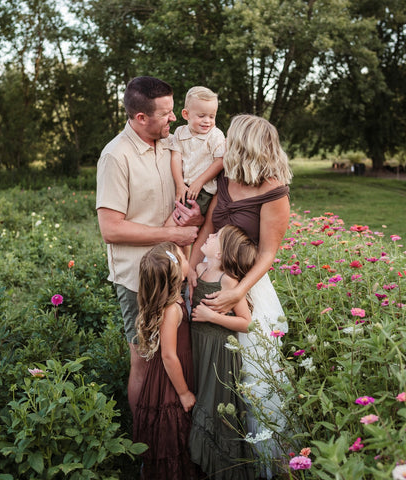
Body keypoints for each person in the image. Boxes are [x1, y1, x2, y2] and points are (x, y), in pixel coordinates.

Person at [184, 114, 293, 477]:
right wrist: (190, 270)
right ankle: (218, 453)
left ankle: (264, 463)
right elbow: (207, 229)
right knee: (214, 368)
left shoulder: (275, 192)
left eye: (231, 137)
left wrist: (238, 294)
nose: (224, 143)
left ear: (245, 144)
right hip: (211, 277)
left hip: (247, 289)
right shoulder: (226, 179)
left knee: (251, 378)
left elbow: (268, 254)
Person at [96, 76, 202, 416]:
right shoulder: (116, 156)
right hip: (138, 280)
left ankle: (172, 436)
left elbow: (173, 208)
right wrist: (169, 236)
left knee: (177, 352)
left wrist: (190, 217)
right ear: (141, 117)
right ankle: (144, 444)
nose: (174, 119)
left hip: (176, 269)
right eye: (167, 113)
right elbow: (110, 229)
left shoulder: (170, 146)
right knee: (143, 360)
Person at [189, 225, 257, 480]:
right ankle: (200, 464)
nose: (209, 235)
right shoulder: (201, 269)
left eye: (216, 236)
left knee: (214, 404)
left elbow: (246, 323)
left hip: (219, 352)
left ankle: (223, 469)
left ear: (221, 253)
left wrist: (211, 316)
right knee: (198, 396)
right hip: (198, 347)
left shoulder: (227, 280)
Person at [133, 242, 198, 480]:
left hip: (172, 373)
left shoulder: (171, 300)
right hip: (171, 380)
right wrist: (183, 392)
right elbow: (169, 356)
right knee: (171, 432)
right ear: (177, 274)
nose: (186, 256)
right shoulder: (172, 310)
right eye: (183, 256)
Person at [170, 86, 225, 217]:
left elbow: (220, 161)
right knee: (176, 216)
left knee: (179, 218)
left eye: (212, 116)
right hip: (183, 186)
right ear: (186, 114)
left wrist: (199, 182)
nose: (207, 121)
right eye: (201, 116)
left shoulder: (215, 135)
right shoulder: (180, 132)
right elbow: (175, 158)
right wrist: (179, 184)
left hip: (203, 190)